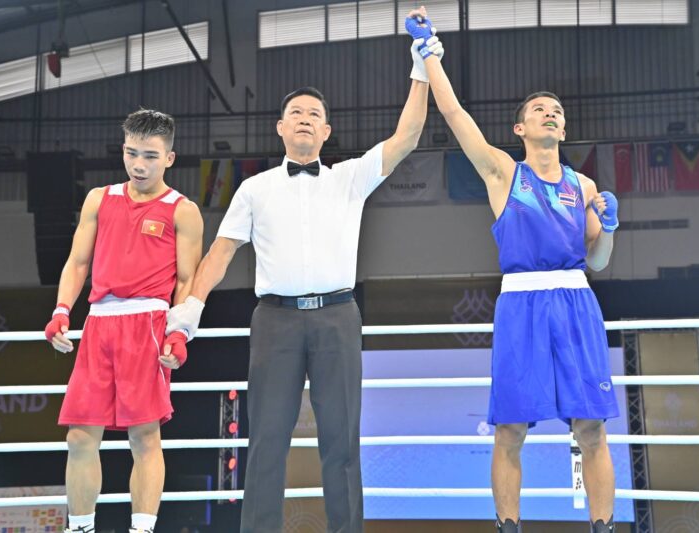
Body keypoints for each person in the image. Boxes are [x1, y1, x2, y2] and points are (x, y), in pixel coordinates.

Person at [165, 10, 442, 532]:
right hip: (275, 321)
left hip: (338, 316)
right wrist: (188, 313)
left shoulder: (349, 178)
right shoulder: (254, 189)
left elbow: (406, 136)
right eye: (296, 112)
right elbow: (220, 253)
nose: (305, 118)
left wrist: (420, 65)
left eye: (314, 113)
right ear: (281, 127)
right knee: (267, 439)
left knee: (342, 441)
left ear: (326, 129)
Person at [405, 10, 620, 533]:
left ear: (564, 128)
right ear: (520, 128)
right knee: (510, 429)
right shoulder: (504, 172)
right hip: (522, 305)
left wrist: (610, 228)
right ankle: (508, 527)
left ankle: (604, 526)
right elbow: (454, 114)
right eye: (539, 109)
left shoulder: (584, 187)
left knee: (592, 428)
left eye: (557, 111)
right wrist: (429, 53)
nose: (550, 114)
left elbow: (598, 261)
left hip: (576, 302)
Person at [44, 109, 204, 533]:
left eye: (150, 156)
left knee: (144, 437)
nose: (139, 164)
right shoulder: (100, 198)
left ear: (169, 158)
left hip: (147, 324)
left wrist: (179, 331)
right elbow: (78, 262)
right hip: (99, 323)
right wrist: (61, 310)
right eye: (132, 153)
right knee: (80, 436)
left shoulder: (182, 210)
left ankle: (142, 529)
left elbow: (187, 280)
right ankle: (80, 527)